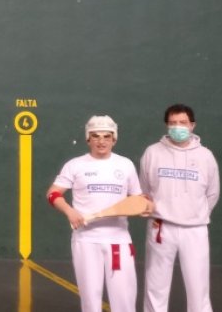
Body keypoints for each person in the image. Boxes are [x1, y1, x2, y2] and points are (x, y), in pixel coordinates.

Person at [47, 115, 144, 312]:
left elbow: (138, 199)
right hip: (86, 241)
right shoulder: (75, 165)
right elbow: (53, 193)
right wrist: (69, 211)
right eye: (96, 136)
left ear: (114, 139)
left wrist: (145, 207)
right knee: (90, 301)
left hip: (119, 241)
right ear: (88, 139)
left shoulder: (125, 165)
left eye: (107, 136)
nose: (101, 141)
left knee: (124, 300)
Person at [138, 104, 219, 312]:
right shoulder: (152, 153)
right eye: (173, 123)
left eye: (182, 123)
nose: (178, 127)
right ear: (166, 125)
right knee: (156, 286)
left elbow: (212, 194)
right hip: (161, 227)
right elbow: (145, 189)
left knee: (198, 287)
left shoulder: (206, 156)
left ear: (192, 125)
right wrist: (159, 211)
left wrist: (194, 214)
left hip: (195, 229)